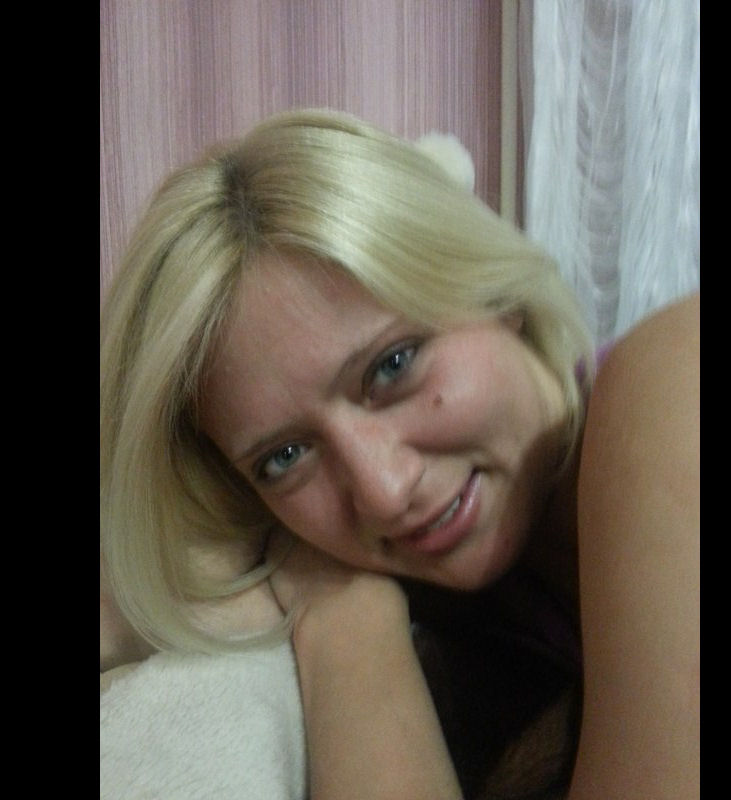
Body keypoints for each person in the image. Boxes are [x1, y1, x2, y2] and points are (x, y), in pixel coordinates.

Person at [100, 109, 699, 799]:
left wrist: (339, 618)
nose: (384, 491)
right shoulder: (451, 613)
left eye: (393, 365)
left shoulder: (673, 380)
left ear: (492, 289)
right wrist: (346, 616)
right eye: (285, 456)